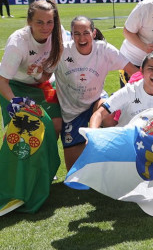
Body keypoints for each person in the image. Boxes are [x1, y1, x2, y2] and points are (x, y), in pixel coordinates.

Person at [54, 16, 138, 169]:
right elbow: (43, 73)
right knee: (73, 170)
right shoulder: (62, 51)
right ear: (71, 35)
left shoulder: (104, 49)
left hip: (96, 100)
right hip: (71, 110)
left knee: (109, 113)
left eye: (86, 32)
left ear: (93, 33)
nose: (81, 38)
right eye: (76, 33)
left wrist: (148, 91)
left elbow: (133, 72)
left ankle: (115, 156)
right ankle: (92, 148)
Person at [0, 0, 64, 129]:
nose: (45, 27)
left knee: (55, 125)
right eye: (39, 22)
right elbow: (1, 82)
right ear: (29, 22)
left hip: (43, 84)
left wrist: (38, 74)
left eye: (49, 22)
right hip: (15, 86)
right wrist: (15, 101)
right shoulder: (17, 42)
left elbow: (46, 76)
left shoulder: (58, 35)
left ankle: (49, 150)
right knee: (21, 132)